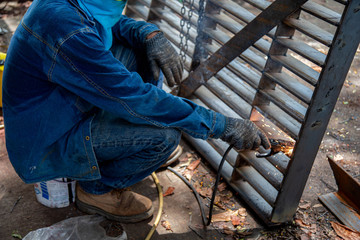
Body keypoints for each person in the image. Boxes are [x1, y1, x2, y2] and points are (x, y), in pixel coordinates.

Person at [2, 0, 270, 223]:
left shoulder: (77, 5)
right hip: (45, 142)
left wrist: (148, 33)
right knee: (163, 138)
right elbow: (135, 98)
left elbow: (111, 23)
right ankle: (96, 190)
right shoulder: (67, 30)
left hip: (55, 108)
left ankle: (123, 147)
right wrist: (221, 125)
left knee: (139, 50)